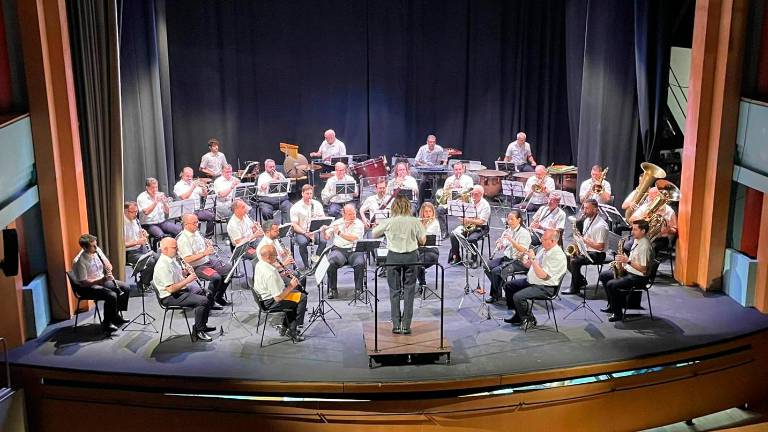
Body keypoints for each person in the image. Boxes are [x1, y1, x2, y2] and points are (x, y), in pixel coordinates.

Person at [372, 196, 426, 334]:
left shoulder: (389, 221)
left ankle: (396, 324)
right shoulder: (415, 221)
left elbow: (374, 234)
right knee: (409, 291)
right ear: (408, 206)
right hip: (411, 257)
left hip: (394, 257)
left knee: (394, 291)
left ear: (394, 207)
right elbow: (423, 240)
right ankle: (406, 325)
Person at [152, 237, 214, 341]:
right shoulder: (163, 265)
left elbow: (177, 276)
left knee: (208, 293)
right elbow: (170, 289)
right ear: (165, 249)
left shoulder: (172, 259)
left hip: (179, 290)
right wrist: (188, 280)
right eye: (174, 248)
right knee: (203, 301)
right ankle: (198, 331)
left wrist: (185, 272)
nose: (177, 249)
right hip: (170, 297)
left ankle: (202, 326)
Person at [503, 229, 567, 328]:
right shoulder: (544, 249)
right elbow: (530, 266)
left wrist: (533, 258)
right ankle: (519, 314)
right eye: (542, 237)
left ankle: (529, 319)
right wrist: (523, 258)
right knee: (509, 286)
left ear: (553, 241)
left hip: (546, 286)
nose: (541, 240)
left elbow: (544, 276)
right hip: (533, 281)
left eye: (544, 239)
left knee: (518, 296)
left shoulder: (557, 256)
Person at [72, 234, 129, 333]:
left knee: (125, 287)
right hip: (88, 287)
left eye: (96, 245)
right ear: (85, 247)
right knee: (111, 295)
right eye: (93, 246)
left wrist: (108, 268)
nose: (96, 247)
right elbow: (84, 283)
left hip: (101, 281)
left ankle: (115, 316)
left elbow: (108, 264)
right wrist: (102, 280)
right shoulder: (80, 261)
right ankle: (107, 323)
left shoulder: (97, 250)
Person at [598, 220, 653, 322]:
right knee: (604, 276)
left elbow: (644, 270)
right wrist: (622, 264)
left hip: (639, 277)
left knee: (612, 284)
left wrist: (627, 261)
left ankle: (618, 313)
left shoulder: (645, 246)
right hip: (631, 271)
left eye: (635, 229)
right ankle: (612, 305)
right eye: (632, 228)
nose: (632, 232)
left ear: (643, 231)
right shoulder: (637, 239)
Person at [252, 244, 308, 342]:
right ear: (268, 257)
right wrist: (290, 286)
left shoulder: (260, 263)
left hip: (266, 296)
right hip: (271, 301)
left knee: (296, 294)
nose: (277, 257)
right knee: (301, 298)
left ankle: (285, 327)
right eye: (275, 255)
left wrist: (281, 274)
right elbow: (278, 298)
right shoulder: (270, 274)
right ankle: (293, 330)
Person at [177, 213, 232, 308]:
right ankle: (209, 301)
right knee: (216, 277)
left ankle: (218, 296)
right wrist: (205, 253)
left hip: (207, 260)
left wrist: (208, 244)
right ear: (186, 224)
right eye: (194, 223)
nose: (197, 224)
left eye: (197, 222)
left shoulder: (197, 232)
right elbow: (187, 259)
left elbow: (203, 248)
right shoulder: (183, 239)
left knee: (228, 269)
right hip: (197, 266)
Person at [562, 199, 609, 295]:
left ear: (595, 210)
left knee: (574, 261)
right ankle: (580, 280)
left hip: (598, 254)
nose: (584, 211)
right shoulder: (587, 220)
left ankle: (575, 287)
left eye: (587, 208)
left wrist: (584, 240)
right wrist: (578, 245)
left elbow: (600, 247)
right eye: (584, 208)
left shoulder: (601, 226)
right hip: (587, 250)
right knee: (567, 256)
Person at [485, 210, 531, 303]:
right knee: (487, 266)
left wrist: (511, 240)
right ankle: (501, 288)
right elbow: (504, 245)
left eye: (512, 219)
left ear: (519, 220)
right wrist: (500, 244)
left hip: (518, 261)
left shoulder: (524, 233)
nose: (509, 222)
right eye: (508, 219)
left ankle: (496, 295)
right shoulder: (508, 230)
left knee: (496, 271)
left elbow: (523, 250)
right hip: (507, 258)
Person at [323, 204, 365, 299]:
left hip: (354, 250)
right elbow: (326, 237)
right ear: (344, 214)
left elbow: (354, 238)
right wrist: (323, 231)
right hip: (339, 250)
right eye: (350, 214)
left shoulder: (359, 223)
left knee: (360, 263)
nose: (353, 216)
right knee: (331, 262)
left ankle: (359, 290)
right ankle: (332, 289)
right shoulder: (337, 223)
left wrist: (339, 233)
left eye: (354, 214)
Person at [447, 185, 491, 266]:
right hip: (468, 225)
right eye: (472, 194)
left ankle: (474, 260)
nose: (473, 196)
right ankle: (456, 257)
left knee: (472, 238)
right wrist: (461, 216)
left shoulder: (485, 205)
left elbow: (481, 221)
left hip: (481, 227)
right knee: (453, 234)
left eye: (476, 194)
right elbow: (462, 214)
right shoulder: (469, 201)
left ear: (482, 194)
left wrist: (469, 220)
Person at [628, 186, 678, 252]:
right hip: (641, 235)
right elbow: (631, 219)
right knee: (627, 246)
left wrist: (668, 230)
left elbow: (675, 230)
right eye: (649, 195)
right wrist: (643, 217)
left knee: (646, 249)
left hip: (659, 239)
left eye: (652, 196)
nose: (649, 198)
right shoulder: (645, 207)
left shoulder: (669, 211)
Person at [290, 184, 327, 268]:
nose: (309, 196)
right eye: (307, 194)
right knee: (303, 243)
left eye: (311, 193)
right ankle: (306, 265)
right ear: (302, 193)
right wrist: (305, 232)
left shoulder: (317, 204)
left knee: (323, 241)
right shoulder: (296, 207)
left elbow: (322, 219)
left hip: (315, 231)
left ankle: (315, 259)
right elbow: (294, 225)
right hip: (301, 231)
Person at [173, 167, 215, 236]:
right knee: (194, 220)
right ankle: (195, 237)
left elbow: (204, 195)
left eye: (191, 176)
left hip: (197, 210)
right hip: (186, 212)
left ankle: (208, 237)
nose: (190, 178)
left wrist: (204, 188)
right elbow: (184, 197)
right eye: (187, 176)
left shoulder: (193, 183)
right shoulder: (178, 186)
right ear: (182, 175)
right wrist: (192, 187)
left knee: (211, 215)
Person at [436, 162, 474, 237]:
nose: (458, 171)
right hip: (450, 204)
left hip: (463, 204)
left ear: (463, 170)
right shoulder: (449, 180)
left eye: (460, 169)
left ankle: (466, 231)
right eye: (456, 169)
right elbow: (444, 194)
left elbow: (470, 192)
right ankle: (444, 232)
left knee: (469, 210)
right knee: (439, 209)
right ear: (453, 170)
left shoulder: (468, 179)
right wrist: (451, 189)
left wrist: (460, 187)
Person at [415, 134, 448, 204]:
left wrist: (443, 165)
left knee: (437, 186)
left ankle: (434, 203)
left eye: (433, 142)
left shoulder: (439, 149)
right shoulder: (422, 148)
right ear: (427, 142)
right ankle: (420, 203)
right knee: (422, 183)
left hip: (436, 171)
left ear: (435, 142)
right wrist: (424, 165)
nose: (432, 143)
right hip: (425, 171)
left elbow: (445, 160)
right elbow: (416, 161)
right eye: (430, 142)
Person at [417, 202, 441, 291]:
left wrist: (422, 225)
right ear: (422, 212)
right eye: (425, 212)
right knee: (409, 261)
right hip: (419, 249)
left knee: (418, 263)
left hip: (431, 251)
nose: (428, 214)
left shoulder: (435, 223)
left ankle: (421, 283)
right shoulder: (418, 221)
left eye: (430, 211)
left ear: (433, 212)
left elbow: (423, 238)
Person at [123, 201, 150, 266]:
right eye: (133, 212)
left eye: (136, 211)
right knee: (150, 262)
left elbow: (138, 235)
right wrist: (137, 242)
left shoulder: (135, 219)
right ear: (125, 211)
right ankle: (145, 276)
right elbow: (121, 245)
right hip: (130, 253)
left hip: (141, 248)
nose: (136, 214)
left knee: (157, 258)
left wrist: (144, 234)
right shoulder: (122, 224)